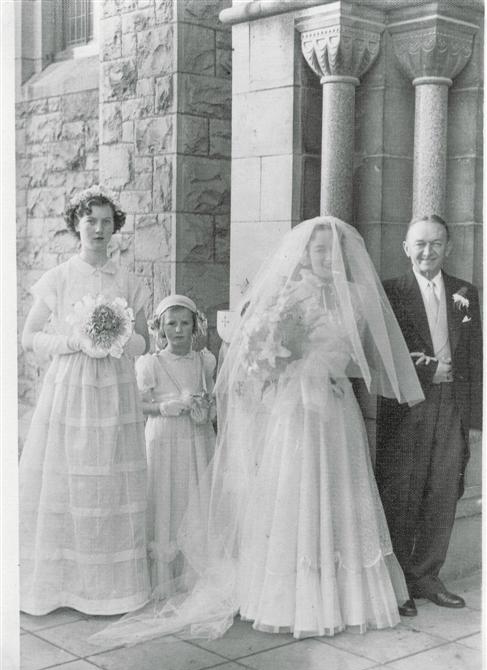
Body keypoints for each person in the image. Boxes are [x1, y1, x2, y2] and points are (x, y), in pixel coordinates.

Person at [90, 216, 424, 646]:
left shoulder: (356, 298)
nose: (327, 258)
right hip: (295, 411)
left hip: (336, 408)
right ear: (305, 255)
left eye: (333, 251)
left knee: (338, 492)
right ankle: (288, 599)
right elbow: (254, 352)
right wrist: (282, 362)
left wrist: (327, 370)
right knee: (294, 493)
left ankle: (345, 598)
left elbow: (361, 356)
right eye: (319, 250)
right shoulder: (287, 296)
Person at [19, 185, 151, 615]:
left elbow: (145, 342)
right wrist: (74, 340)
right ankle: (64, 586)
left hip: (115, 387)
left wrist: (118, 339)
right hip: (71, 385)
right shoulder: (58, 278)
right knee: (71, 475)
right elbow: (29, 338)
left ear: (116, 229)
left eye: (106, 222)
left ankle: (110, 588)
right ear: (76, 224)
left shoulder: (128, 281)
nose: (98, 229)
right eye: (90, 220)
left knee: (110, 477)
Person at [375, 214, 482, 616]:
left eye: (436, 243)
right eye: (419, 243)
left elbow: (475, 357)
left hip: (452, 406)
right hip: (408, 408)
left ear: (448, 248)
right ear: (406, 248)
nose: (427, 251)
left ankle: (428, 576)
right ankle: (400, 582)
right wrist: (425, 370)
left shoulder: (466, 293)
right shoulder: (391, 293)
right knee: (403, 490)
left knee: (443, 491)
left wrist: (474, 421)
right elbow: (382, 355)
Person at [136, 295, 216, 599]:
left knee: (192, 495)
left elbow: (210, 392)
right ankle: (163, 574)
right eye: (172, 324)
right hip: (164, 437)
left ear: (195, 327)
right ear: (161, 329)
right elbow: (139, 404)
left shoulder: (204, 360)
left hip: (196, 438)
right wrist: (163, 407)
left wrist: (206, 408)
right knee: (166, 495)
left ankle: (192, 570)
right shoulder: (150, 364)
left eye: (185, 323)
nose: (179, 330)